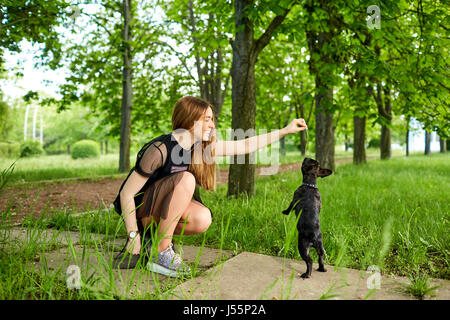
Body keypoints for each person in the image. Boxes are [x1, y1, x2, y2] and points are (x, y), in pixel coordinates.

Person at [112, 96, 307, 276]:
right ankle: (161, 252)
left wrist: (285, 130)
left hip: (158, 213)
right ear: (189, 119)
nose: (212, 125)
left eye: (212, 119)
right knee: (187, 178)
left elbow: (245, 146)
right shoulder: (160, 149)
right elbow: (126, 194)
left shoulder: (200, 148)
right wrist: (132, 235)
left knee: (202, 218)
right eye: (206, 119)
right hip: (142, 213)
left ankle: (155, 241)